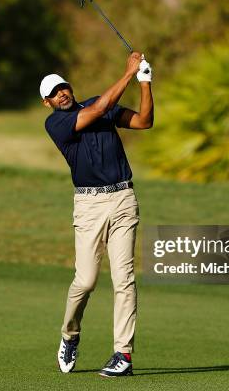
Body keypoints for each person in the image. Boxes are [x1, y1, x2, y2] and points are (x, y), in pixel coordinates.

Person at [40, 51, 154, 377]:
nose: (61, 93)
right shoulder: (56, 123)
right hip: (89, 206)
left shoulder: (99, 105)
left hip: (123, 198)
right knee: (86, 280)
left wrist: (145, 82)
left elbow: (144, 122)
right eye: (53, 93)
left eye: (63, 87)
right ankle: (70, 334)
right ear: (46, 102)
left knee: (124, 279)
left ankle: (123, 355)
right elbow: (99, 109)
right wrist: (129, 72)